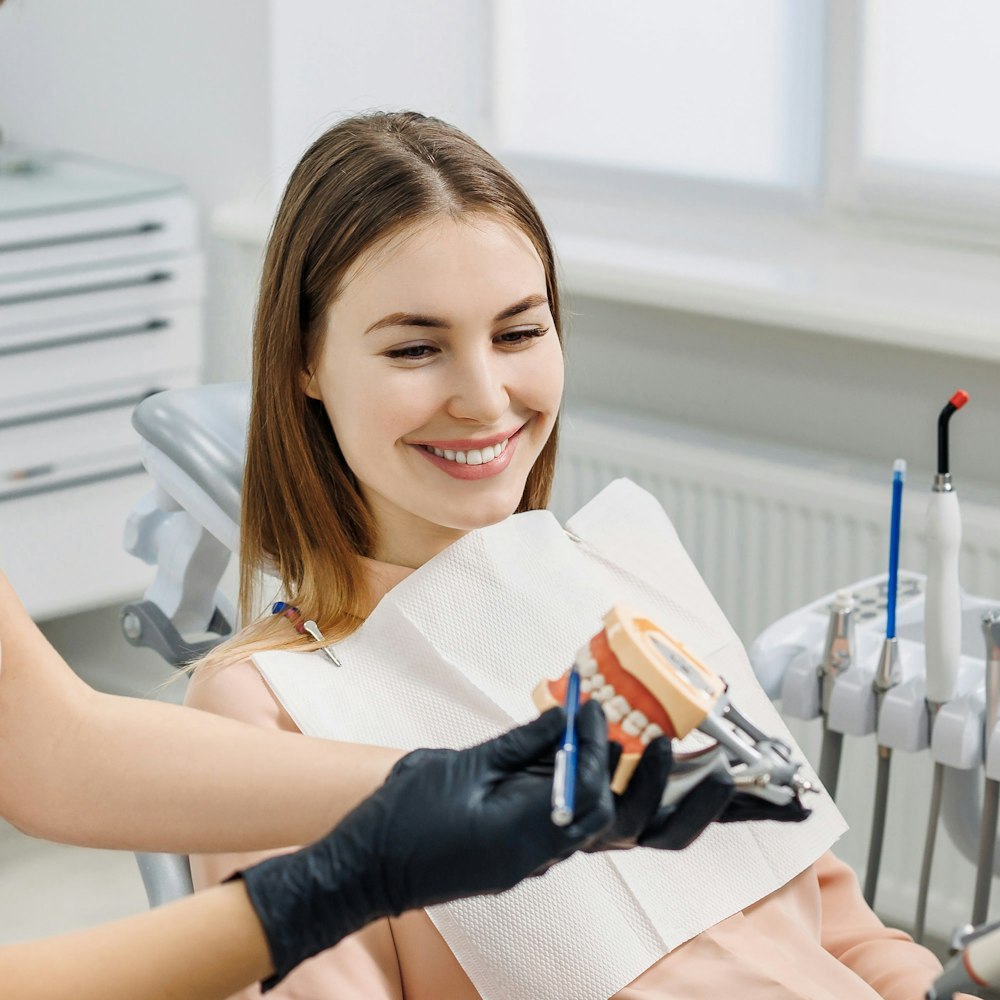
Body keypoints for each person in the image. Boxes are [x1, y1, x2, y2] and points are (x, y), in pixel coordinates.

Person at [186, 110, 950, 1000]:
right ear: (303, 362)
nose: (485, 397)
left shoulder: (627, 584)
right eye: (416, 348)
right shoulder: (272, 708)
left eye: (517, 334)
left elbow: (839, 927)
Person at [0, 571, 746, 1000]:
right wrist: (333, 886)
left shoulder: (600, 579)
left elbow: (46, 747)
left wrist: (433, 784)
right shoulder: (270, 692)